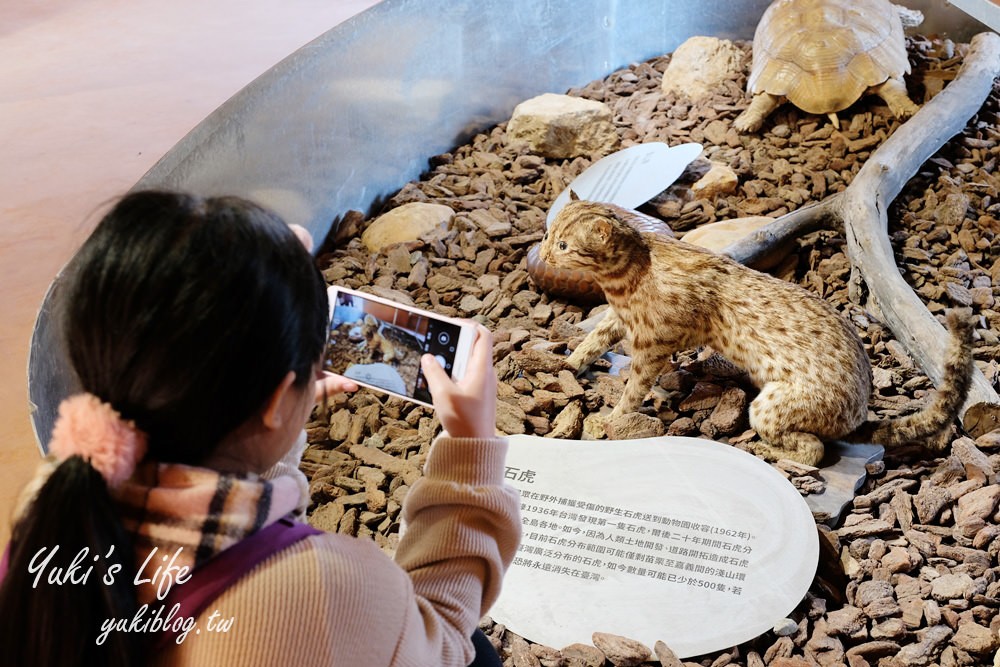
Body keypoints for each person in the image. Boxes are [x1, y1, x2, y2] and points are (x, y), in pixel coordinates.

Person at [0, 191, 521, 666]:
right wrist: (469, 452)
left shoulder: (54, 501)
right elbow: (445, 641)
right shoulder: (324, 589)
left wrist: (265, 427)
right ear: (274, 400)